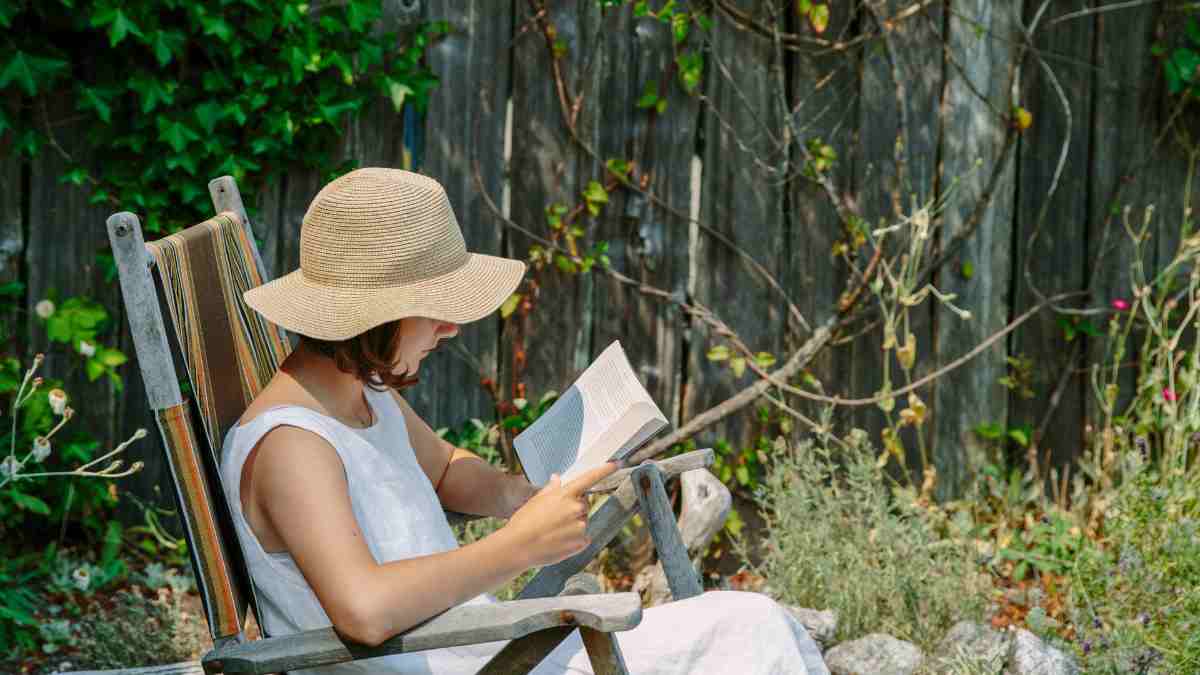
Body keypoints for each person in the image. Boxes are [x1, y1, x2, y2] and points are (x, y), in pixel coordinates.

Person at [219, 167, 827, 674]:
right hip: (455, 663)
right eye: (435, 309)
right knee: (748, 632)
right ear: (374, 314)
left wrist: (524, 495)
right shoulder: (292, 445)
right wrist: (518, 547)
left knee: (757, 630)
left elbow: (444, 470)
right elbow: (364, 609)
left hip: (473, 650)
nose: (452, 329)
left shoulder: (362, 391)